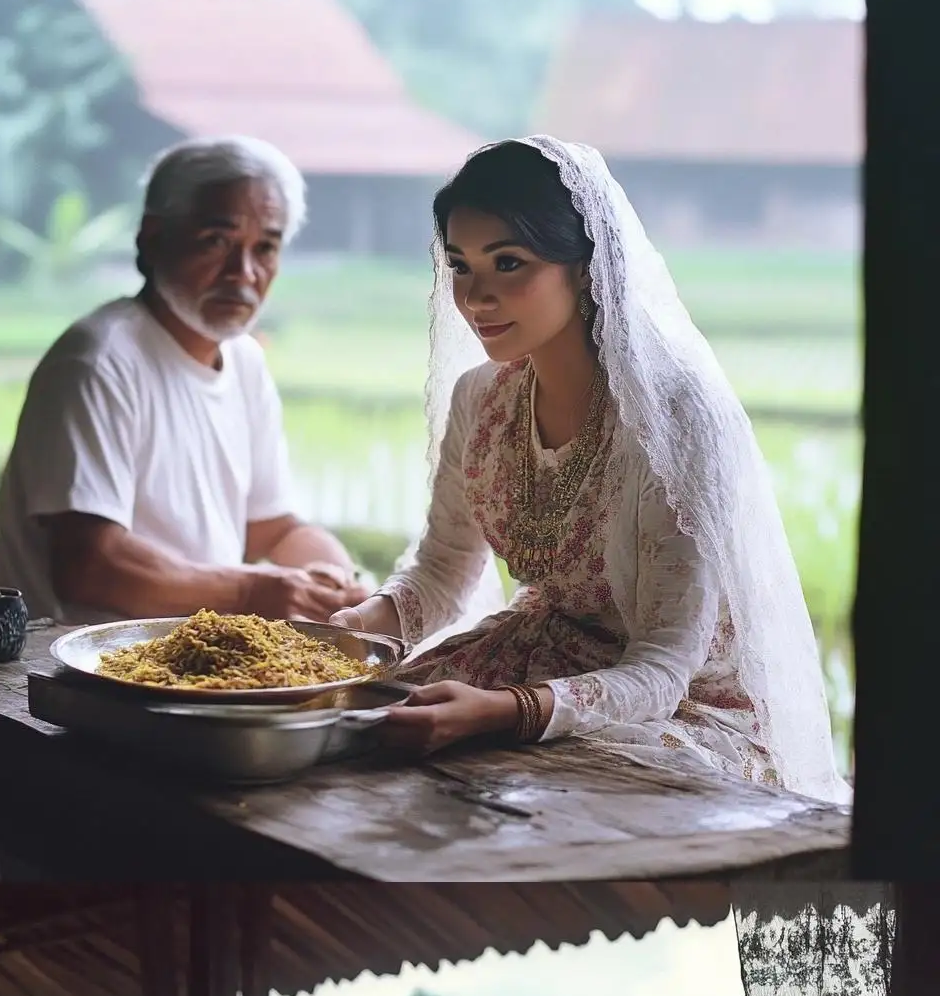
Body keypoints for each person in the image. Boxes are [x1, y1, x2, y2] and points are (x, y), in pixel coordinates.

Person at [332, 137, 844, 802]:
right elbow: (440, 571)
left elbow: (663, 670)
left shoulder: (673, 420)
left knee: (511, 796)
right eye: (460, 266)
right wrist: (342, 635)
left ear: (583, 268)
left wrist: (506, 710)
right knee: (350, 734)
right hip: (539, 655)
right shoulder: (481, 399)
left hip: (677, 706)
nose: (477, 297)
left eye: (508, 263)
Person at [0, 136, 372, 626]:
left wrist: (345, 590)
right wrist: (252, 590)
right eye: (217, 241)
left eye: (266, 248)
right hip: (71, 670)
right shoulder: (98, 363)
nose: (244, 272)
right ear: (151, 241)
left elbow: (271, 531)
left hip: (184, 659)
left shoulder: (245, 361)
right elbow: (90, 566)